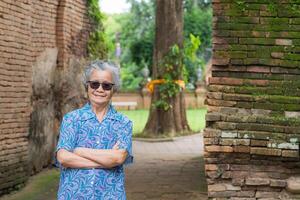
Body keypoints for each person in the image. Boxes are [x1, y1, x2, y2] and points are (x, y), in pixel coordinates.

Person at [55, 60, 133, 200]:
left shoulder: (123, 123)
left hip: (110, 195)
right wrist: (106, 161)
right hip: (73, 195)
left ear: (113, 89)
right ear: (87, 86)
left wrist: (79, 151)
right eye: (95, 84)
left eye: (107, 85)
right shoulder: (72, 119)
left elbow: (118, 157)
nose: (100, 89)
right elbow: (63, 158)